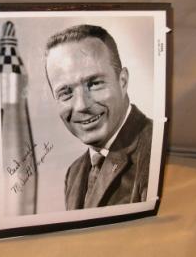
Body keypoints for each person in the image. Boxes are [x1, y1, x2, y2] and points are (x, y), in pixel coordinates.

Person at [45, 24, 152, 210]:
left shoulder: (154, 152)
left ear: (123, 81)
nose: (81, 105)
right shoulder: (75, 172)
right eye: (65, 92)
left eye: (94, 83)